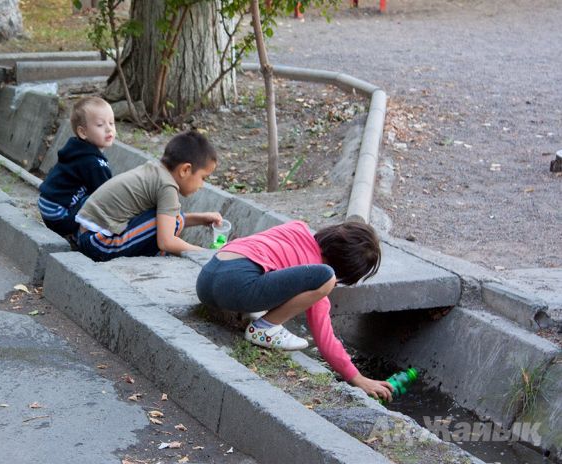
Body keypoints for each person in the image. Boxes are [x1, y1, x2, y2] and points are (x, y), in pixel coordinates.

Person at [195, 220, 394, 401]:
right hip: (236, 286)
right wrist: (357, 378)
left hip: (207, 280)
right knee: (326, 277)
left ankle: (260, 318)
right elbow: (325, 340)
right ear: (346, 271)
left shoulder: (296, 228)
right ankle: (265, 328)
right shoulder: (319, 273)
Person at [75, 130, 222, 262]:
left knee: (173, 218)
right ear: (185, 170)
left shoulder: (155, 171)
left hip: (88, 237)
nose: (202, 185)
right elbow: (166, 242)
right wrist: (205, 254)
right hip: (100, 245)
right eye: (203, 178)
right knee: (174, 222)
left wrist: (201, 219)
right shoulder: (167, 186)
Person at [38, 96, 116, 239]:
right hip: (59, 214)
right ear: (83, 132)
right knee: (98, 201)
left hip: (48, 206)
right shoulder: (94, 163)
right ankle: (78, 234)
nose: (108, 129)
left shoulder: (76, 150)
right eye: (100, 125)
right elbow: (107, 194)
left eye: (111, 123)